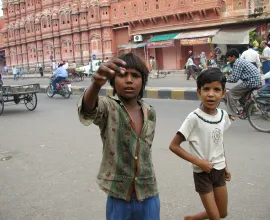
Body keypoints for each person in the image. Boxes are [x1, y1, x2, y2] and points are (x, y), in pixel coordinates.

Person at [77, 53, 160, 220]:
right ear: (113, 81)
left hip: (148, 190)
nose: (129, 80)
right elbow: (88, 109)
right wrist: (96, 84)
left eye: (135, 76)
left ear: (143, 81)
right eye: (122, 75)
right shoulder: (109, 107)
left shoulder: (150, 112)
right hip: (119, 194)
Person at [169, 68, 231, 220]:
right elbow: (174, 146)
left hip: (219, 170)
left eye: (216, 90)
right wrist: (199, 162)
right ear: (199, 91)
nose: (211, 94)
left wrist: (225, 166)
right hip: (202, 173)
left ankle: (192, 219)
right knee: (215, 217)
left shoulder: (223, 116)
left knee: (222, 213)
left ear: (223, 93)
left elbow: (219, 142)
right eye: (206, 89)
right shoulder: (194, 118)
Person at [223, 48, 261, 121]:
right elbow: (235, 74)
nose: (228, 59)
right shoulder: (240, 61)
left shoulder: (237, 63)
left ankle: (232, 114)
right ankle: (252, 108)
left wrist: (224, 79)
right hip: (255, 80)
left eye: (229, 57)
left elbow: (234, 79)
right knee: (240, 94)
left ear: (233, 56)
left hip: (251, 81)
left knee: (231, 93)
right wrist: (228, 76)